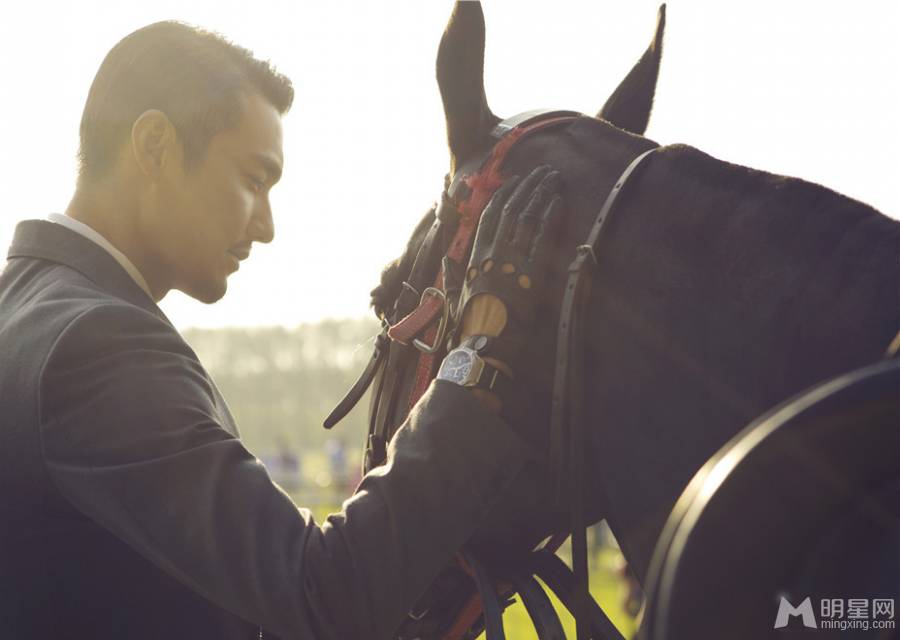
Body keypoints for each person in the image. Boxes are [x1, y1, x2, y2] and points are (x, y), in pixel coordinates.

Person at [0, 21, 563, 640]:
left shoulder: (27, 314)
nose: (266, 227)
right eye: (253, 179)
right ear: (156, 145)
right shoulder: (98, 343)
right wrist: (475, 360)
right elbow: (319, 593)